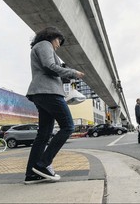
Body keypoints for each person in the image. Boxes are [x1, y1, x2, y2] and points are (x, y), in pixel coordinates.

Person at [25, 26, 85, 184]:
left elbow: (49, 70)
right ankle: (43, 164)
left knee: (44, 135)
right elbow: (49, 66)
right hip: (48, 92)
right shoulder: (45, 44)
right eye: (59, 40)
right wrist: (72, 72)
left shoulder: (39, 48)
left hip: (41, 92)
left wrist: (64, 76)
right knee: (68, 126)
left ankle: (32, 173)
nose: (59, 44)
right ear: (51, 36)